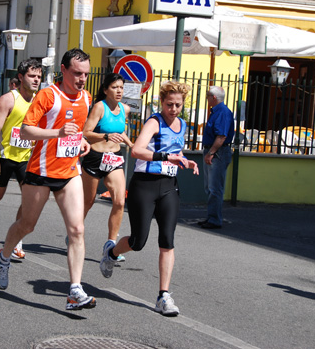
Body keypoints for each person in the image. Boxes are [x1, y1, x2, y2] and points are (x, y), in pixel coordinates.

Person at [0, 48, 96, 311]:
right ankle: (4, 256)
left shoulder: (86, 97)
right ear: (63, 70)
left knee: (77, 230)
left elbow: (77, 131)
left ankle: (75, 290)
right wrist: (57, 133)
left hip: (69, 172)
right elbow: (26, 130)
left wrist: (81, 140)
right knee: (27, 225)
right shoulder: (49, 95)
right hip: (40, 172)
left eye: (86, 73)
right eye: (77, 73)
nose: (82, 78)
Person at [99, 81, 199, 317]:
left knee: (167, 240)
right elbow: (136, 150)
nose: (173, 109)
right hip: (145, 185)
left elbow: (177, 151)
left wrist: (184, 160)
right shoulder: (154, 122)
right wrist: (167, 157)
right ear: (162, 102)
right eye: (169, 104)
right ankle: (111, 254)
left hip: (169, 187)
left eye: (178, 105)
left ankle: (163, 295)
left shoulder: (182, 124)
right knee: (138, 241)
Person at [0, 59, 42, 259]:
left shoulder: (40, 100)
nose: (36, 80)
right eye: (32, 76)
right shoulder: (8, 99)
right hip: (5, 156)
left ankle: (16, 241)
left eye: (39, 76)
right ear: (21, 77)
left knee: (29, 201)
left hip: (27, 158)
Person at [81, 73, 133, 263]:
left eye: (121, 87)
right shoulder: (99, 107)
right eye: (114, 87)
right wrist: (105, 137)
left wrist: (131, 144)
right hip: (95, 157)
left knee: (119, 201)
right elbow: (86, 132)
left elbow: (121, 131)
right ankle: (75, 230)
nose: (119, 91)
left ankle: (111, 244)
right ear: (105, 90)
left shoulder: (124, 109)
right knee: (88, 201)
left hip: (114, 158)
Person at [198, 86, 234, 229]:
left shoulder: (222, 113)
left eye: (207, 96)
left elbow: (221, 136)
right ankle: (212, 217)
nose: (206, 98)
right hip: (215, 151)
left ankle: (214, 219)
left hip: (217, 152)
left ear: (213, 97)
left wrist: (211, 153)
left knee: (214, 188)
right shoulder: (218, 112)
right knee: (211, 187)